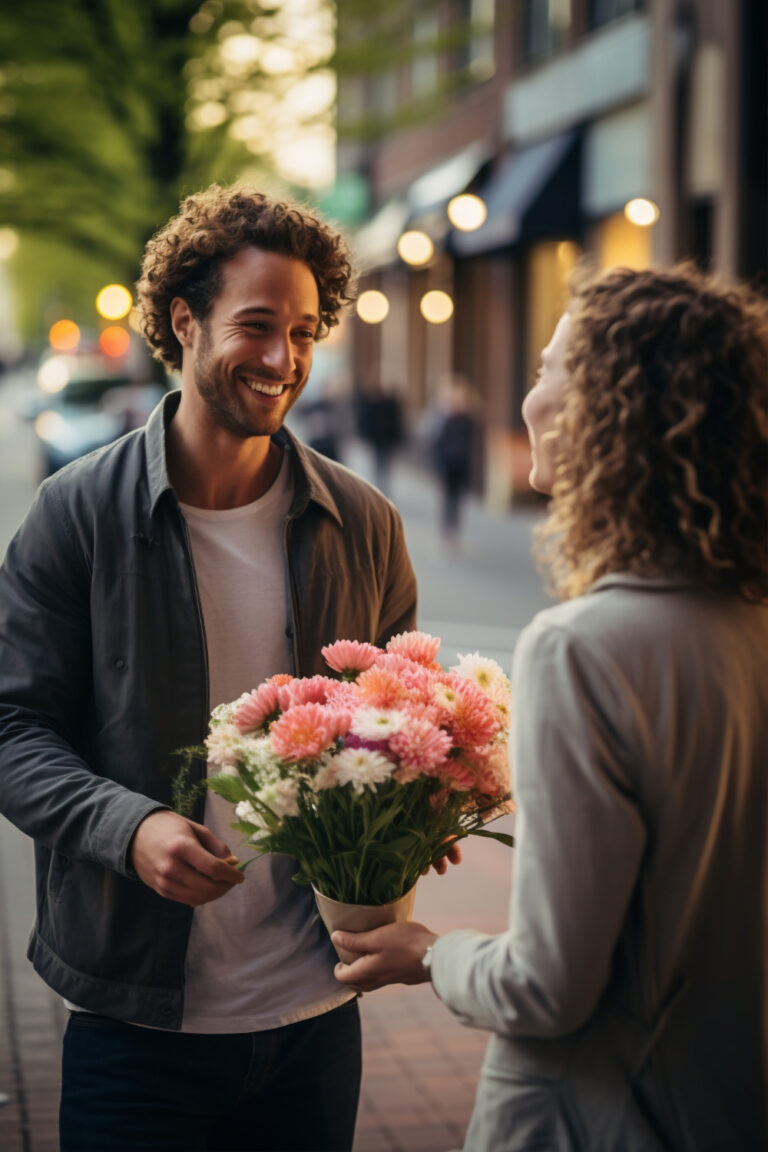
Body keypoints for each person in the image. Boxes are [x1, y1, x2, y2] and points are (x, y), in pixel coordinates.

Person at [0, 184, 419, 1152]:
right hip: (135, 1026)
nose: (283, 360)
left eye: (304, 332)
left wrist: (416, 815)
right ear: (183, 322)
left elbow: (401, 721)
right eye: (257, 326)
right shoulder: (76, 515)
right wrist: (128, 826)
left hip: (315, 1018)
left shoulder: (364, 524)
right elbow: (13, 727)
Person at [333, 264, 768, 1151]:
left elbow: (546, 986)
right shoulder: (749, 621)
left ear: (608, 412)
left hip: (600, 1113)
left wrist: (430, 954)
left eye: (545, 370)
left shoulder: (583, 649)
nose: (529, 398)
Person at [429, 374, 476, 549]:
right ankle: (445, 532)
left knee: (456, 500)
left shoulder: (466, 419)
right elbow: (434, 440)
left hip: (460, 464)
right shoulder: (442, 417)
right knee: (446, 499)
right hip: (446, 464)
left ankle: (454, 532)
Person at [355, 378, 404, 495]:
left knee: (383, 462)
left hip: (385, 438)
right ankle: (379, 486)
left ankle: (381, 486)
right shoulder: (373, 403)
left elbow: (396, 423)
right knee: (379, 462)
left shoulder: (389, 404)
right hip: (379, 438)